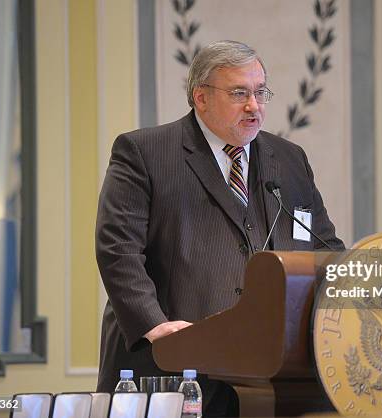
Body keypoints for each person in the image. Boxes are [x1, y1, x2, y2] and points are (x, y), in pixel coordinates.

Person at [95, 40, 344, 416]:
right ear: (201, 97)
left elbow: (326, 250)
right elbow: (118, 252)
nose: (254, 106)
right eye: (239, 93)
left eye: (260, 93)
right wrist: (156, 327)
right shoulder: (144, 153)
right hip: (171, 370)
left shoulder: (290, 159)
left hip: (273, 375)